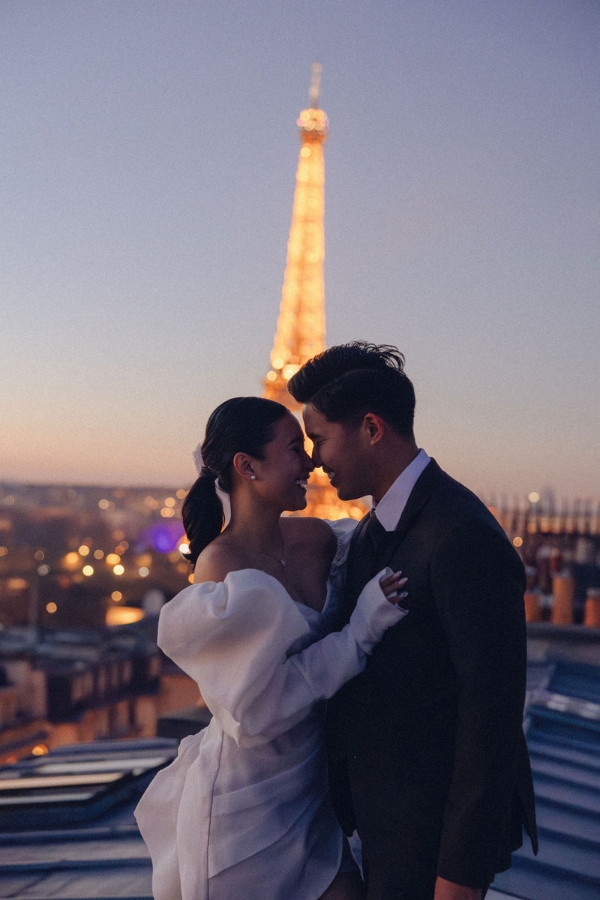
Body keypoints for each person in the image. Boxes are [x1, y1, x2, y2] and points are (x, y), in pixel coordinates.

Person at [288, 343, 538, 900]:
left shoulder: (459, 534)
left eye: (320, 438)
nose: (314, 459)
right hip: (383, 828)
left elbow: (491, 714)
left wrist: (459, 876)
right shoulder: (386, 525)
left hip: (428, 844)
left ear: (371, 428)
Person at [135, 396, 409, 900]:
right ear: (247, 466)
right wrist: (359, 634)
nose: (310, 462)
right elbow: (260, 710)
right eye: (292, 449)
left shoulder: (318, 539)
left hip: (311, 787)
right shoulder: (220, 568)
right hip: (245, 802)